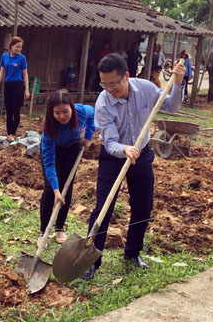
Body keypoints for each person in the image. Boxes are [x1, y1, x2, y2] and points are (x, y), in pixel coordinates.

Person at [82, 54, 185, 280]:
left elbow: (171, 106)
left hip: (142, 154)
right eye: (104, 84)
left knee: (143, 206)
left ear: (126, 76)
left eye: (113, 83)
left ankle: (133, 253)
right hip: (114, 156)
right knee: (103, 207)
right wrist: (125, 149)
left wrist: (177, 84)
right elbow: (109, 143)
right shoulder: (103, 103)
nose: (109, 88)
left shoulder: (146, 89)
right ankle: (91, 259)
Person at [38, 90, 94, 246]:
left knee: (67, 187)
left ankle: (59, 227)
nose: (62, 116)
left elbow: (93, 115)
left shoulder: (81, 111)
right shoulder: (48, 131)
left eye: (65, 111)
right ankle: (43, 231)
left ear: (72, 108)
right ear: (51, 113)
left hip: (72, 149)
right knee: (50, 189)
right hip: (53, 151)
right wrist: (56, 191)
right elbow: (49, 163)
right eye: (57, 113)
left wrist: (88, 137)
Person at [0, 36, 29, 141]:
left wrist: (26, 89)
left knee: (15, 110)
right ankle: (8, 134)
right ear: (11, 46)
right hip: (7, 85)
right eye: (17, 47)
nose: (18, 49)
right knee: (8, 111)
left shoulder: (22, 58)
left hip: (18, 85)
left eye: (20, 47)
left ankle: (13, 133)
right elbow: (1, 72)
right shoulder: (4, 57)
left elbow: (25, 74)